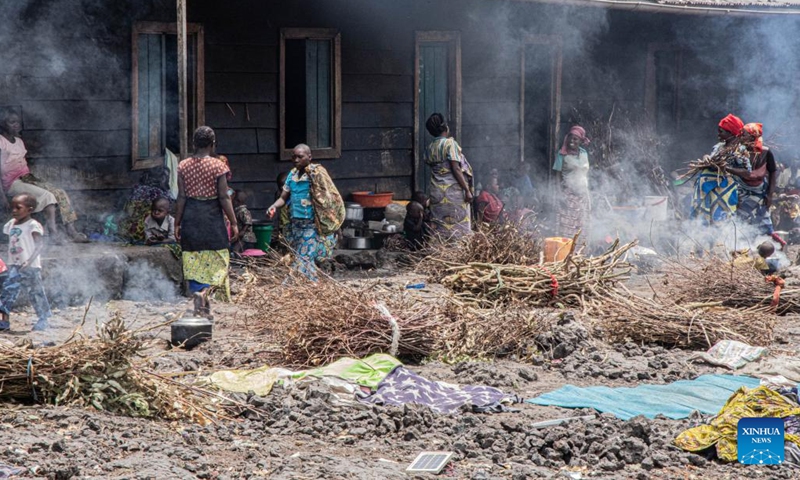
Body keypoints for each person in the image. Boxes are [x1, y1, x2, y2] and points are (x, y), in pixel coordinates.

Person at [175, 126, 238, 317]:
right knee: (218, 261)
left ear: (193, 143)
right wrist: (234, 222)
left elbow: (181, 197)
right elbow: (224, 197)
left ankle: (200, 301)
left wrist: (177, 223)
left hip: (191, 217)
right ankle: (205, 294)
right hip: (212, 218)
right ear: (213, 144)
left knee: (194, 260)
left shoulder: (183, 166)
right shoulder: (218, 166)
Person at [0, 107, 87, 243]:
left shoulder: (19, 141)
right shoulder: (1, 142)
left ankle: (72, 231)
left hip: (26, 178)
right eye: (12, 122)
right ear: (2, 124)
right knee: (48, 196)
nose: (16, 125)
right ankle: (53, 233)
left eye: (17, 122)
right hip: (12, 183)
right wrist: (3, 197)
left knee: (60, 192)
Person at [267, 144, 345, 280]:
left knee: (303, 257)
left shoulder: (316, 174)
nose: (296, 160)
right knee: (303, 257)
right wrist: (274, 206)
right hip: (295, 224)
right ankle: (311, 285)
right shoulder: (292, 175)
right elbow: (283, 198)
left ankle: (293, 283)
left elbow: (329, 197)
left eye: (300, 157)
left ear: (309, 157)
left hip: (311, 224)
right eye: (294, 157)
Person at [0, 194, 52, 331]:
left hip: (31, 266)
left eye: (19, 208)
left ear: (30, 209)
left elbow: (39, 245)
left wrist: (29, 261)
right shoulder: (10, 224)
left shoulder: (33, 225)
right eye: (13, 207)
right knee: (7, 292)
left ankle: (43, 319)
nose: (14, 210)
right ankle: (4, 321)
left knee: (36, 293)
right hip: (14, 266)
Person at [689, 114, 748, 225]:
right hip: (709, 190)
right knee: (707, 218)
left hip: (726, 190)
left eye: (721, 131)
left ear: (730, 133)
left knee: (722, 219)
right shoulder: (718, 147)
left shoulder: (740, 150)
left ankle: (722, 241)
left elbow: (746, 173)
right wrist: (706, 158)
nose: (718, 134)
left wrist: (726, 168)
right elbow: (710, 159)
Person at [424, 113, 474, 241]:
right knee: (458, 225)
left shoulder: (429, 148)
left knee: (440, 226)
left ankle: (441, 253)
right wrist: (467, 190)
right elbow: (456, 168)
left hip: (436, 193)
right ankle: (458, 253)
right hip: (453, 193)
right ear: (445, 127)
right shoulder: (449, 144)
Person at [726, 123, 778, 237]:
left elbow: (773, 172)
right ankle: (740, 244)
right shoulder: (737, 152)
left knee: (763, 221)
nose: (741, 136)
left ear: (753, 136)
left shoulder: (765, 152)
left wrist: (770, 194)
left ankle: (767, 247)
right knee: (740, 219)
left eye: (744, 134)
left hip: (760, 192)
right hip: (741, 191)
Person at [553, 125, 591, 238]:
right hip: (568, 196)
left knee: (582, 227)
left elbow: (585, 173)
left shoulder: (584, 153)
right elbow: (557, 178)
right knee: (567, 228)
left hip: (583, 196)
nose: (572, 141)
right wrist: (561, 196)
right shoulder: (562, 155)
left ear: (580, 141)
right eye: (571, 137)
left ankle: (579, 253)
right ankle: (566, 253)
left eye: (575, 139)